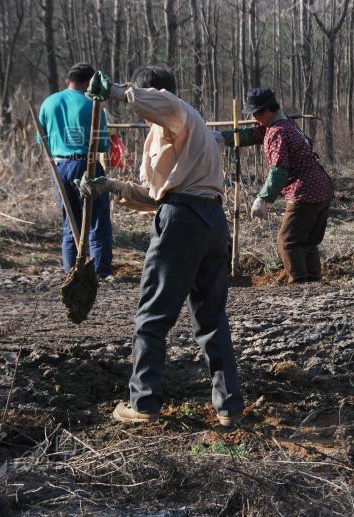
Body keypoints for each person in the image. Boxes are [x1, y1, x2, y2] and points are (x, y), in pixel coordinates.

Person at [78, 66, 244, 426]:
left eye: (142, 98)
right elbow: (157, 195)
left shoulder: (176, 109)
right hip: (210, 223)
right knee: (212, 318)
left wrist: (116, 91)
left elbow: (157, 103)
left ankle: (143, 403)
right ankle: (230, 408)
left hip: (184, 222)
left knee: (151, 316)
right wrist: (110, 186)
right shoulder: (172, 133)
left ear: (154, 94)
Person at [245, 88, 334, 283]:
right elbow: (253, 135)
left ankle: (300, 285)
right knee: (308, 242)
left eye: (256, 113)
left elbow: (278, 171)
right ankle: (314, 283)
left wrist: (263, 198)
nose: (253, 117)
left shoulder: (277, 132)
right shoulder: (287, 125)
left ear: (268, 111)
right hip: (322, 187)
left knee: (288, 242)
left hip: (305, 191)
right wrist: (222, 137)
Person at [38, 63, 112, 279]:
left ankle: (71, 272)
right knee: (97, 219)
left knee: (71, 221)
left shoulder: (48, 102)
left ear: (69, 80)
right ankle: (100, 272)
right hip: (85, 163)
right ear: (89, 83)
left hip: (59, 166)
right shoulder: (92, 103)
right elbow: (102, 145)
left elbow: (41, 141)